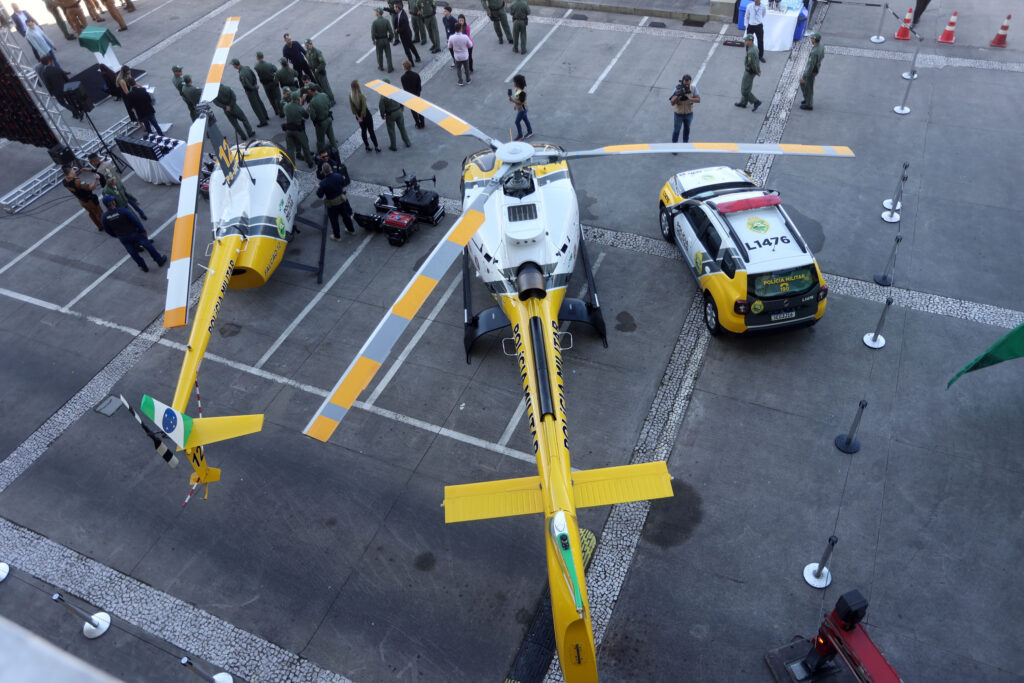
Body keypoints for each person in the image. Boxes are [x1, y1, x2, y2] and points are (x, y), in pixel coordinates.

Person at [100, 196, 167, 272]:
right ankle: (159, 260)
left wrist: (117, 235)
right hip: (133, 233)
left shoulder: (104, 216)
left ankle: (143, 266)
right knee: (148, 245)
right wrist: (142, 230)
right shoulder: (122, 210)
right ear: (113, 202)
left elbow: (107, 230)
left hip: (122, 237)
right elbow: (135, 221)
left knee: (132, 252)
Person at [88, 152, 146, 220]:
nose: (91, 164)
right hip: (119, 184)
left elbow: (104, 184)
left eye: (91, 162)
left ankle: (132, 218)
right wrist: (92, 170)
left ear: (94, 161)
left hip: (113, 190)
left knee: (123, 206)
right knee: (129, 199)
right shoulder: (107, 163)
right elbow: (106, 171)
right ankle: (141, 213)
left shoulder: (99, 171)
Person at [316, 163, 356, 240]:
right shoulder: (338, 176)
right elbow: (343, 184)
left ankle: (337, 236)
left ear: (323, 171)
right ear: (331, 168)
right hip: (341, 199)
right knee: (346, 216)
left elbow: (320, 195)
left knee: (334, 220)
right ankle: (351, 230)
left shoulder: (323, 183)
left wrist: (319, 188)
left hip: (332, 203)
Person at [281, 87, 314, 168]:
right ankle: (309, 162)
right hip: (298, 130)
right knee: (305, 145)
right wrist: (308, 109)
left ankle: (292, 166)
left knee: (290, 149)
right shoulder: (299, 108)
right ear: (297, 99)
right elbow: (306, 116)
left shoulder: (286, 107)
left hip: (288, 130)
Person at [62, 165, 103, 230]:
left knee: (91, 213)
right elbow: (90, 188)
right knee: (98, 212)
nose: (74, 170)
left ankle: (99, 227)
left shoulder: (64, 181)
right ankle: (105, 225)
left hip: (81, 201)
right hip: (89, 200)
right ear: (70, 171)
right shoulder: (78, 181)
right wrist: (96, 179)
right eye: (73, 169)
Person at [231, 58, 269, 127]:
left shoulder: (242, 74)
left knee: (255, 106)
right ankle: (265, 115)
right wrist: (255, 85)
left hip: (250, 91)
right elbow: (254, 76)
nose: (233, 66)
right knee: (259, 102)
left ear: (235, 65)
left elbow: (247, 84)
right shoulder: (246, 68)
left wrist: (253, 87)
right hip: (254, 87)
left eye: (233, 65)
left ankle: (263, 121)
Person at [41, 55, 81, 119]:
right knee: (70, 100)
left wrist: (51, 93)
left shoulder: (45, 73)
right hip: (65, 87)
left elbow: (48, 84)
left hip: (57, 91)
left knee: (63, 103)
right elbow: (65, 78)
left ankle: (75, 110)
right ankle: (75, 113)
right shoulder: (56, 68)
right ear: (50, 61)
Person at [378, 78, 410, 151]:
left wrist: (382, 115)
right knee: (402, 128)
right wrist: (402, 106)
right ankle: (407, 142)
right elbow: (401, 98)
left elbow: (382, 107)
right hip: (399, 111)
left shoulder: (383, 96)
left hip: (390, 115)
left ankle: (393, 146)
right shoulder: (395, 90)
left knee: (391, 130)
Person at [350, 80, 380, 152]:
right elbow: (364, 108)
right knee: (371, 131)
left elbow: (353, 108)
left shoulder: (350, 95)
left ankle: (367, 146)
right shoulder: (361, 95)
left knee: (363, 131)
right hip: (366, 115)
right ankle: (376, 146)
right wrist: (362, 117)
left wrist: (358, 117)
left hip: (358, 116)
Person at [734, 34, 762, 112]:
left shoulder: (751, 52)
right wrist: (758, 70)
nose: (745, 41)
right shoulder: (754, 48)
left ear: (750, 41)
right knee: (748, 87)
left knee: (744, 90)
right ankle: (743, 103)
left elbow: (752, 63)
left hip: (749, 72)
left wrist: (757, 72)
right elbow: (757, 61)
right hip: (752, 71)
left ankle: (756, 101)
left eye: (746, 40)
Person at [306, 83, 337, 151]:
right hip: (328, 118)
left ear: (311, 91)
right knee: (331, 137)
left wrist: (308, 109)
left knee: (320, 140)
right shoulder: (324, 95)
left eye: (308, 90)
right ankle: (336, 151)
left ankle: (322, 155)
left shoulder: (312, 102)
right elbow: (329, 105)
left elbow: (313, 117)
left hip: (321, 123)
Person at [669, 74, 700, 143]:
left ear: (690, 82)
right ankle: (674, 146)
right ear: (682, 82)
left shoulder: (693, 88)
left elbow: (698, 100)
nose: (686, 86)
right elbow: (672, 102)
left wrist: (690, 98)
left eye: (688, 84)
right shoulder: (677, 89)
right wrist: (677, 95)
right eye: (685, 84)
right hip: (678, 114)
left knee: (687, 130)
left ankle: (685, 145)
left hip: (689, 114)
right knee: (676, 130)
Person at [304, 38, 335, 105]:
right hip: (315, 73)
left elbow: (323, 63)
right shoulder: (309, 52)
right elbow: (309, 60)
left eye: (308, 45)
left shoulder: (317, 52)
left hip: (320, 72)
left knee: (325, 86)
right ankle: (325, 99)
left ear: (311, 44)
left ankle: (331, 100)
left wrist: (317, 69)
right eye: (306, 46)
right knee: (320, 87)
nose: (306, 47)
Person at [800, 33, 824, 111]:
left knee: (807, 86)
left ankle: (809, 104)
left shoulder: (814, 52)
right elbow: (822, 55)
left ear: (814, 40)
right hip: (817, 66)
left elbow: (810, 66)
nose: (811, 40)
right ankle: (807, 98)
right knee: (805, 84)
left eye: (811, 38)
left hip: (812, 71)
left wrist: (804, 76)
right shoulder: (821, 45)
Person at [254, 52, 283, 118]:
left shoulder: (256, 66)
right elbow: (275, 69)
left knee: (271, 98)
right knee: (277, 97)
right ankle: (281, 111)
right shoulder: (269, 64)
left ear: (257, 57)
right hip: (273, 82)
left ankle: (276, 110)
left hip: (265, 84)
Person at [400, 60, 426, 127]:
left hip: (410, 96)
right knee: (420, 109)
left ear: (404, 67)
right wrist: (418, 93)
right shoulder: (416, 75)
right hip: (416, 94)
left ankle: (417, 123)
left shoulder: (403, 77)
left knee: (413, 111)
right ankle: (422, 123)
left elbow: (405, 88)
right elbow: (419, 86)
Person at [371, 7, 395, 73]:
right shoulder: (386, 21)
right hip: (386, 39)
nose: (375, 13)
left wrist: (373, 40)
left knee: (379, 54)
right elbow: (391, 31)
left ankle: (381, 67)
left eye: (376, 12)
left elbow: (373, 33)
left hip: (379, 41)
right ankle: (390, 68)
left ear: (378, 13)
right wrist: (390, 38)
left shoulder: (374, 22)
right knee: (388, 54)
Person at [509, 73, 532, 140]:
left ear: (518, 83)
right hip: (520, 108)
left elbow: (521, 102)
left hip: (522, 109)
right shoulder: (518, 88)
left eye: (515, 82)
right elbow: (517, 98)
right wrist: (515, 105)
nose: (514, 83)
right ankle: (530, 132)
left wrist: (513, 101)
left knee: (517, 122)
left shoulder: (522, 92)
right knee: (525, 119)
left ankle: (520, 135)